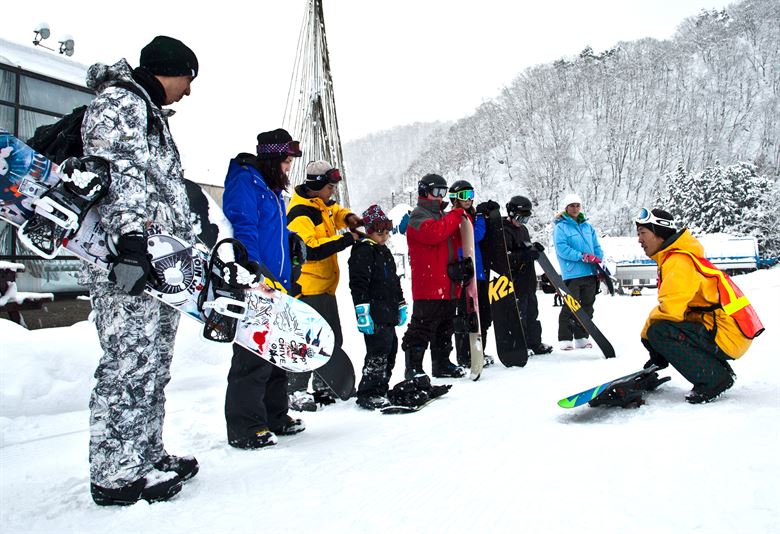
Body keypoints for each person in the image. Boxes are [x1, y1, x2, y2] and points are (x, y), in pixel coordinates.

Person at [81, 36, 199, 506]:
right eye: (188, 79)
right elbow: (122, 175)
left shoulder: (149, 114)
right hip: (128, 263)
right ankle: (114, 474)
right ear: (169, 70)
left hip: (159, 263)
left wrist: (193, 246)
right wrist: (130, 243)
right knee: (128, 365)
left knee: (152, 365)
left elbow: (166, 194)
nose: (188, 92)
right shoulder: (121, 104)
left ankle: (146, 455)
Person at [221, 128, 306, 450]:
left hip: (277, 284)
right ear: (272, 157)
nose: (288, 168)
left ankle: (275, 416)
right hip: (256, 283)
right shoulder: (246, 181)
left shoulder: (270, 188)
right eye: (285, 161)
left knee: (276, 353)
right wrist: (251, 270)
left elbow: (274, 232)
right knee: (251, 357)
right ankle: (245, 427)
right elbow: (244, 226)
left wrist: (290, 247)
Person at [636, 208, 764, 403]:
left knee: (658, 331)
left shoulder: (678, 261)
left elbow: (670, 311)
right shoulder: (677, 258)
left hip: (726, 334)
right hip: (726, 330)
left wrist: (648, 338)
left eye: (643, 233)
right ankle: (715, 371)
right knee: (661, 330)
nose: (639, 240)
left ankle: (713, 379)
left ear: (659, 233)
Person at [286, 160, 362, 410]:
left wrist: (349, 217)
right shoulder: (300, 213)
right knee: (307, 341)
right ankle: (296, 389)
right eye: (330, 187)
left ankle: (325, 383)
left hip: (325, 287)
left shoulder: (321, 204)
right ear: (317, 185)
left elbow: (335, 212)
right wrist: (345, 240)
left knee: (331, 338)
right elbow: (309, 250)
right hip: (307, 289)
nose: (333, 192)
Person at [401, 173, 467, 379]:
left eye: (443, 192)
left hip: (447, 283)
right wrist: (456, 214)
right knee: (422, 327)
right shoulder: (418, 216)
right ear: (424, 191)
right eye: (436, 191)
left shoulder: (443, 216)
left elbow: (457, 238)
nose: (440, 196)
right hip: (428, 285)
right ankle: (414, 367)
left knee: (445, 326)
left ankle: (442, 363)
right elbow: (433, 234)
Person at [348, 204, 406, 410]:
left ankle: (381, 387)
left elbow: (394, 281)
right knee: (377, 352)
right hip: (374, 312)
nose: (385, 237)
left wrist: (401, 304)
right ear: (370, 231)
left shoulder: (384, 252)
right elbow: (358, 283)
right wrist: (362, 311)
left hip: (388, 311)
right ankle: (368, 391)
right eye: (380, 233)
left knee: (391, 350)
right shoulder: (363, 251)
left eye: (387, 232)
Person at [448, 180, 493, 367]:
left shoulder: (471, 215)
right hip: (465, 273)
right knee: (467, 314)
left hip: (479, 273)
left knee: (482, 313)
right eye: (464, 196)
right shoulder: (456, 217)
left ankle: (479, 351)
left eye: (471, 195)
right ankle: (465, 355)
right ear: (455, 199)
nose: (468, 200)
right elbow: (474, 235)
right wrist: (482, 218)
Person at [552, 193, 604, 351]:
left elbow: (596, 246)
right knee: (570, 306)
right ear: (566, 208)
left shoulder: (587, 226)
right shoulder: (560, 227)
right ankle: (565, 338)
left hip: (590, 273)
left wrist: (598, 258)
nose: (575, 209)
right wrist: (582, 257)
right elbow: (562, 249)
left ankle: (582, 337)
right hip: (572, 273)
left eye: (577, 205)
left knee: (588, 306)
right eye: (571, 206)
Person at [502, 196, 553, 355]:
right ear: (511, 214)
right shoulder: (504, 230)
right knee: (519, 315)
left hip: (528, 280)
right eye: (519, 217)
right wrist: (524, 255)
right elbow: (505, 257)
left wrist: (533, 248)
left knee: (532, 313)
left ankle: (534, 342)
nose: (522, 221)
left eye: (526, 218)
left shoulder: (523, 229)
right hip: (515, 281)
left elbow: (524, 248)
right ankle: (520, 344)